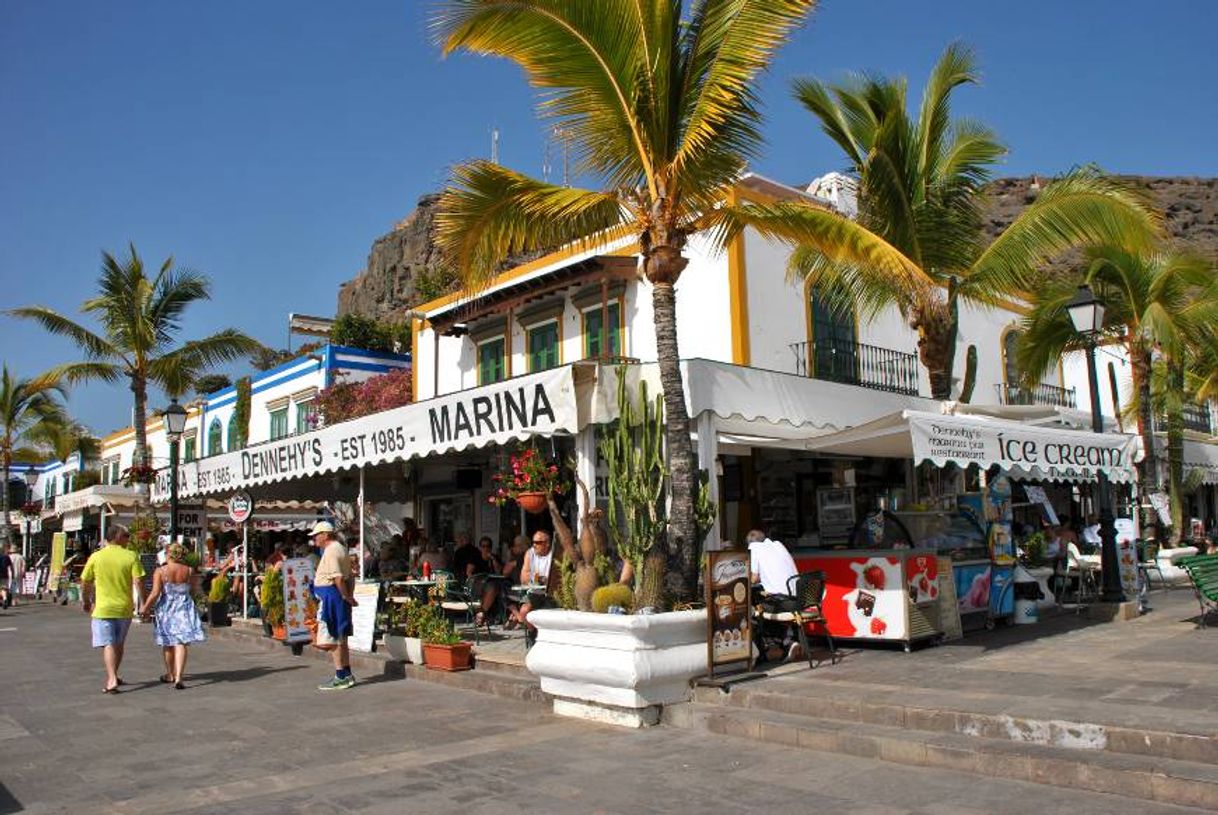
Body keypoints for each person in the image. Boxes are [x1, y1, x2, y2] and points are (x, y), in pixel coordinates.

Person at [80, 525, 146, 694]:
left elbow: (85, 581)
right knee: (118, 643)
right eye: (125, 535)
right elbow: (138, 581)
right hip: (124, 608)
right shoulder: (131, 556)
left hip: (103, 608)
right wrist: (143, 603)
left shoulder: (96, 557)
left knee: (108, 643)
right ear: (116, 537)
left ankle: (111, 678)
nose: (128, 539)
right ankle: (114, 675)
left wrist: (86, 600)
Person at [139, 542, 206, 689]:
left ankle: (170, 673)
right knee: (181, 643)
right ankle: (179, 677)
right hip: (184, 607)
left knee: (168, 643)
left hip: (167, 609)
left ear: (169, 554)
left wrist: (145, 608)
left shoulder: (161, 571)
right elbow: (194, 591)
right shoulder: (189, 570)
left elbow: (155, 593)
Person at [310, 521, 358, 691]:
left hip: (331, 597)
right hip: (335, 596)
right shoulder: (341, 548)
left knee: (330, 638)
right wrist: (348, 596)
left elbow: (338, 577)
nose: (314, 538)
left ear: (325, 535)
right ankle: (346, 673)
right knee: (340, 636)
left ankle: (340, 676)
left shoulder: (331, 550)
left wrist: (346, 595)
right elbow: (350, 576)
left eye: (316, 535)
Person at [513, 530, 557, 637]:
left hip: (550, 594)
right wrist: (541, 579)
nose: (534, 545)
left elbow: (555, 578)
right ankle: (532, 634)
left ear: (547, 544)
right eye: (533, 542)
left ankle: (545, 636)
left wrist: (536, 578)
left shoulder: (554, 554)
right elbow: (523, 578)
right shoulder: (530, 553)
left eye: (538, 542)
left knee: (547, 614)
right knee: (524, 611)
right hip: (534, 593)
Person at [747, 529, 799, 597]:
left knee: (752, 591)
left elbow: (754, 579)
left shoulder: (755, 547)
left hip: (781, 597)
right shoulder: (778, 544)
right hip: (797, 594)